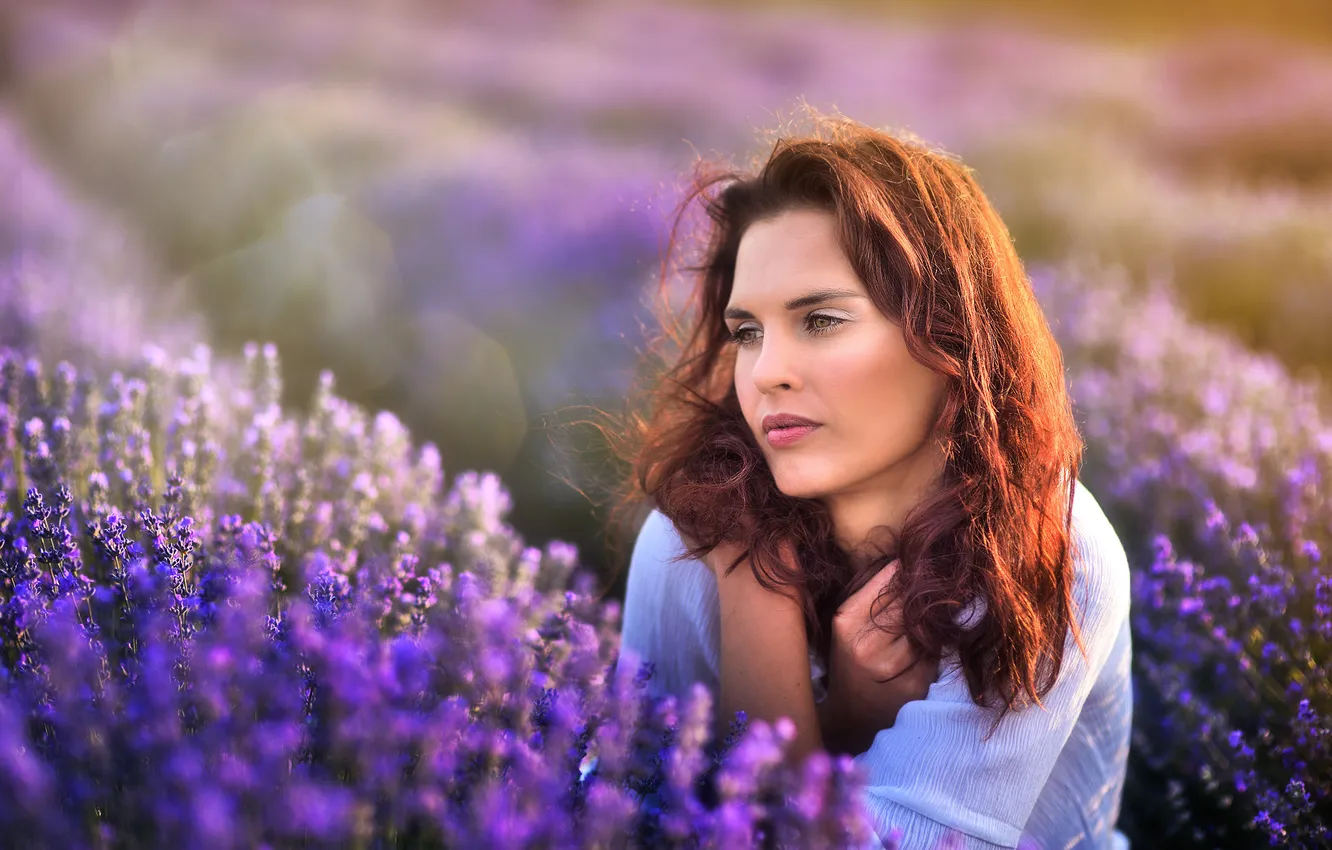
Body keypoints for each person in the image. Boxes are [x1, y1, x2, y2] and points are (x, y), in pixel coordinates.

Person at [601, 108, 1132, 849]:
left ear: (948, 336)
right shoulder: (694, 541)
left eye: (820, 320)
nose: (767, 374)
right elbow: (614, 809)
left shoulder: (1046, 552)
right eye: (747, 332)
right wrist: (758, 593)